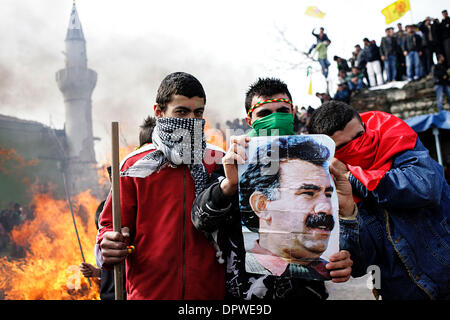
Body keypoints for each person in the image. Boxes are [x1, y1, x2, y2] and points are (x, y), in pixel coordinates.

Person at [191, 78, 354, 300]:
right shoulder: (233, 161)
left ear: (293, 112)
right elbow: (200, 220)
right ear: (250, 119)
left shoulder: (320, 161)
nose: (274, 118)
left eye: (282, 110)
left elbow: (343, 232)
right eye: (264, 113)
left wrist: (345, 256)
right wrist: (229, 186)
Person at [96, 72, 226, 300]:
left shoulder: (219, 163)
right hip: (150, 293)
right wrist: (108, 243)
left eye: (198, 113)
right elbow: (109, 226)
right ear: (159, 112)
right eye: (182, 112)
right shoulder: (133, 166)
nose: (191, 121)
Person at [307, 101, 450, 300]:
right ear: (330, 155)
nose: (358, 147)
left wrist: (353, 178)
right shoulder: (329, 188)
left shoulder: (396, 139)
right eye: (344, 147)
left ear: (365, 126)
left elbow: (426, 188)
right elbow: (359, 264)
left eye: (359, 136)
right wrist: (348, 212)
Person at [239, 136, 337, 281]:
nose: (326, 208)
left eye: (328, 195)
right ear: (262, 205)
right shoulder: (237, 273)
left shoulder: (335, 272)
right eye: (308, 193)